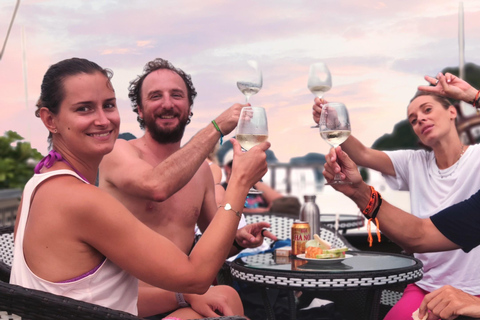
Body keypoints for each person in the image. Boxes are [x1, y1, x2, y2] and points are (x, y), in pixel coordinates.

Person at [10, 57, 270, 319]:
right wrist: (239, 182)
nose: (103, 120)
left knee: (226, 296)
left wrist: (234, 243)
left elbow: (98, 297)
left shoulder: (38, 184)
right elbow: (197, 276)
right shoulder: (80, 198)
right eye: (84, 109)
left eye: (108, 105)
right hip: (163, 288)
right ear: (50, 120)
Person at [98, 58, 276, 318]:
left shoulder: (201, 172)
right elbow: (157, 185)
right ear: (139, 109)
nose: (167, 103)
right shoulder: (118, 153)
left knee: (228, 295)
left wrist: (239, 240)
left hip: (183, 295)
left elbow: (218, 244)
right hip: (128, 304)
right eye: (156, 96)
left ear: (189, 106)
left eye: (176, 95)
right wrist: (215, 129)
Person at [313, 72, 480, 319]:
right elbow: (363, 155)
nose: (420, 119)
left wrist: (474, 96)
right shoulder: (414, 162)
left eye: (427, 110)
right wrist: (333, 124)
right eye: (413, 120)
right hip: (426, 286)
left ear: (453, 112)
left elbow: (419, 236)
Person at [222, 150, 300, 216]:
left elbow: (287, 203)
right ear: (227, 168)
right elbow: (221, 210)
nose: (245, 168)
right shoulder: (221, 189)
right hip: (246, 224)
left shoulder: (256, 185)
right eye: (239, 165)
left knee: (292, 205)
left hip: (268, 223)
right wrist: (262, 211)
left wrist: (252, 180)